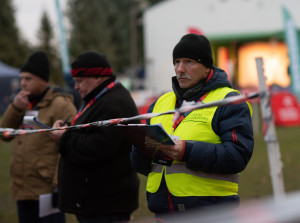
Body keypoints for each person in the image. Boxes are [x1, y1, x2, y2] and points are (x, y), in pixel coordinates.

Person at [130, 34, 254, 220]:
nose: (180, 69)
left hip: (210, 213)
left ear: (206, 68)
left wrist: (186, 151)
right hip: (163, 212)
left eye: (189, 62)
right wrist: (139, 147)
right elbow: (142, 166)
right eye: (177, 62)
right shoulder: (159, 104)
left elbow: (237, 156)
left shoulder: (229, 101)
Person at [49, 51, 140, 223]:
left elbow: (96, 148)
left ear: (98, 77)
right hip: (99, 202)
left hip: (106, 204)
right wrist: (68, 130)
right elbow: (91, 133)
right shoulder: (102, 98)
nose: (76, 87)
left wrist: (64, 138)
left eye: (80, 81)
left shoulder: (113, 103)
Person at [0, 51, 77, 223]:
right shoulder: (24, 102)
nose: (23, 83)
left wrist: (58, 185)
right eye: (22, 79)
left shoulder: (61, 104)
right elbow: (4, 134)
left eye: (28, 79)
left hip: (48, 190)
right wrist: (15, 108)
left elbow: (70, 145)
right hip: (23, 188)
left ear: (43, 79)